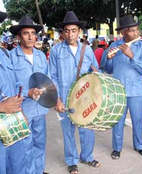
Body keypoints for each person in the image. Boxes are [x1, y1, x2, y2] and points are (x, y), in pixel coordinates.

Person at [49, 11, 100, 174]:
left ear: (79, 32)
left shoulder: (88, 50)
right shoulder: (56, 51)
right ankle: (71, 161)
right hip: (64, 98)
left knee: (87, 128)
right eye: (67, 30)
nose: (70, 34)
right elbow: (52, 76)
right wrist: (57, 99)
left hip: (85, 98)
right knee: (68, 131)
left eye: (73, 30)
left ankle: (87, 156)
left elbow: (95, 72)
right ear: (62, 32)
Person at [104, 14, 142, 159]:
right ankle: (117, 148)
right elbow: (108, 69)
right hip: (119, 91)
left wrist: (132, 56)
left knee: (138, 120)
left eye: (136, 30)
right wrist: (109, 59)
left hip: (136, 91)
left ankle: (139, 145)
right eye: (131, 30)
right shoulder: (114, 46)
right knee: (118, 121)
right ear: (123, 32)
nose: (136, 33)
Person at [9, 16, 50, 174]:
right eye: (26, 33)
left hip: (40, 108)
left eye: (33, 33)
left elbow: (47, 78)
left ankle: (39, 170)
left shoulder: (40, 56)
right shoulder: (11, 57)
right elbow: (9, 84)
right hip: (22, 110)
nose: (31, 36)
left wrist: (46, 91)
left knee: (40, 143)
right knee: (25, 146)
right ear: (18, 37)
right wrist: (27, 92)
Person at [0, 11, 26, 174]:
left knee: (18, 167)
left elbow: (15, 83)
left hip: (12, 125)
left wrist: (20, 110)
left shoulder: (4, 53)